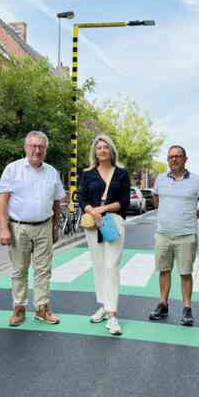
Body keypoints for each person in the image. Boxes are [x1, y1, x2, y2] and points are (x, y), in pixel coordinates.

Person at [0, 131, 65, 326]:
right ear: (26, 147)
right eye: (33, 146)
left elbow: (56, 202)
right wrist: (3, 229)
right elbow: (2, 201)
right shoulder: (13, 169)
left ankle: (42, 308)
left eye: (41, 147)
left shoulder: (52, 171)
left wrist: (55, 227)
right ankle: (18, 308)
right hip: (19, 228)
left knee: (44, 270)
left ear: (45, 150)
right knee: (19, 270)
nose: (37, 150)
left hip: (44, 226)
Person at [149, 145, 199, 326]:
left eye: (178, 156)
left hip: (186, 235)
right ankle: (163, 304)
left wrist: (192, 216)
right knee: (164, 270)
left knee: (185, 273)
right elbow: (156, 200)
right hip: (163, 235)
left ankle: (187, 308)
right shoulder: (160, 179)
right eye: (170, 157)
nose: (174, 159)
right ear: (168, 160)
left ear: (185, 159)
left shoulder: (197, 181)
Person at [78, 134, 130, 336]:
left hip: (113, 222)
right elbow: (82, 198)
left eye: (105, 147)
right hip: (93, 224)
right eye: (98, 147)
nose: (102, 150)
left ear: (111, 151)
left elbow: (124, 202)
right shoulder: (88, 173)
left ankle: (112, 314)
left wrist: (104, 208)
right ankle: (103, 305)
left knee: (112, 266)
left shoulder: (121, 174)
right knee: (99, 266)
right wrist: (91, 210)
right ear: (95, 152)